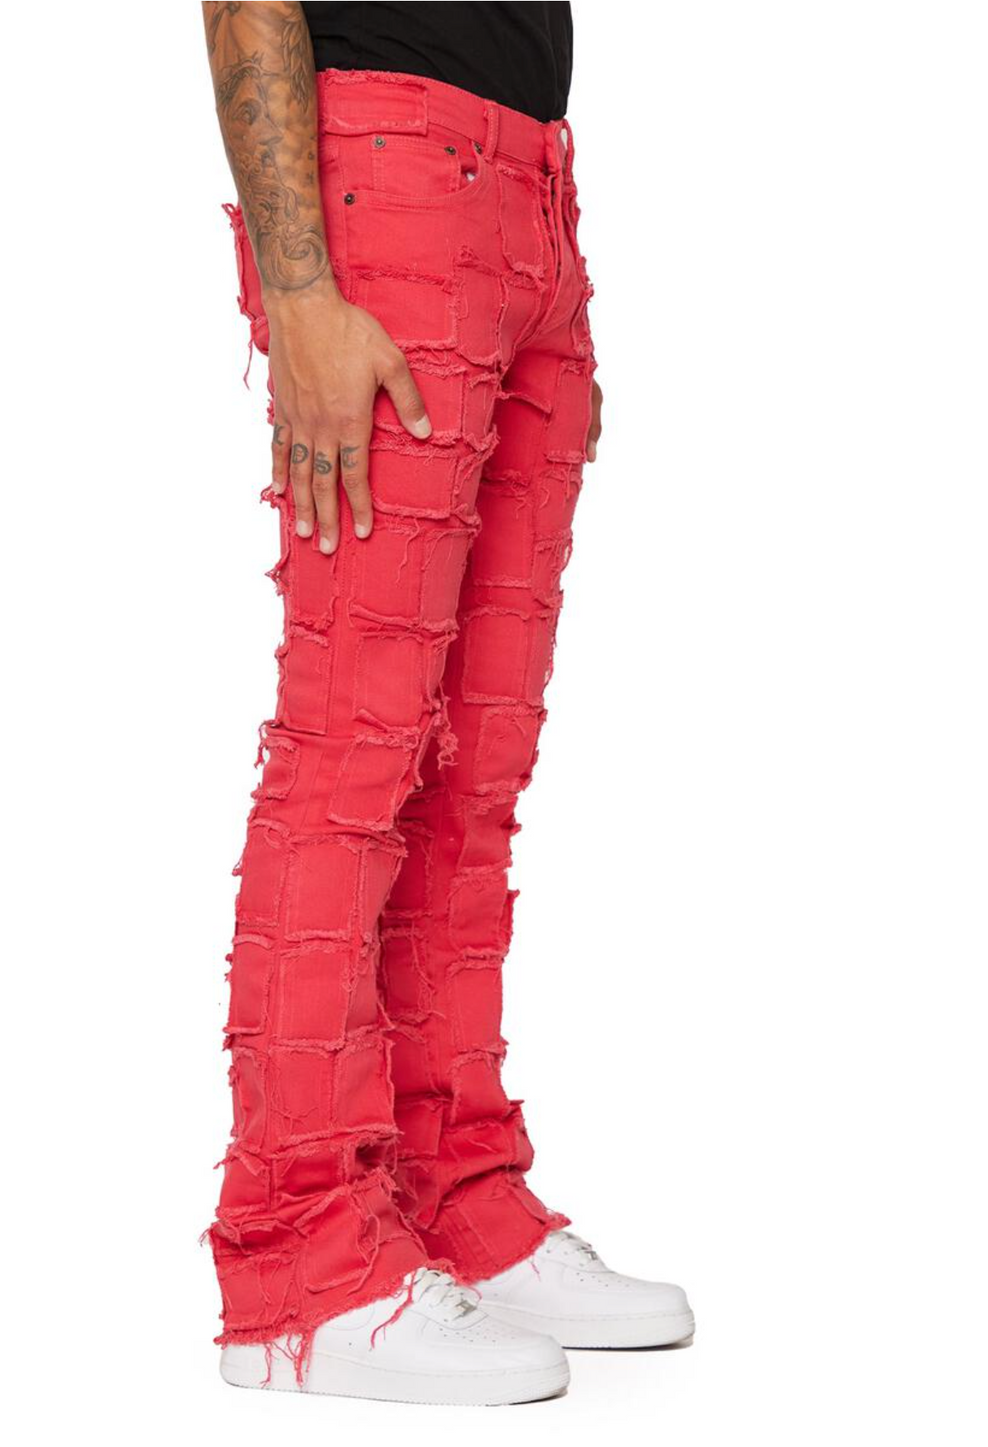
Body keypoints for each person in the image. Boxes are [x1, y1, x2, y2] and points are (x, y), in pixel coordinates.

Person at [202, 2, 692, 1404]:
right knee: (352, 750)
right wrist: (301, 293)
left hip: (533, 194)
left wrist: (548, 274)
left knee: (473, 774)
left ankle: (454, 1195)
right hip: (391, 178)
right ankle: (299, 1265)